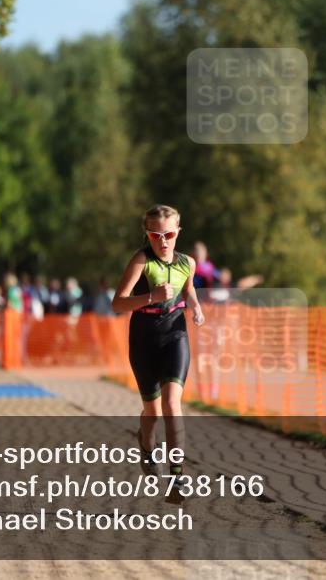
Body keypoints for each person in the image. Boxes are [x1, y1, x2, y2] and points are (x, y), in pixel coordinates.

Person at [113, 204, 204, 490]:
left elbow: (188, 289)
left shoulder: (187, 262)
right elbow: (117, 304)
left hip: (175, 334)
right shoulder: (141, 261)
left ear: (178, 232)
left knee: (172, 404)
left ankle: (177, 475)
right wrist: (151, 296)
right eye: (155, 236)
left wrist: (196, 307)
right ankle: (146, 444)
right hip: (144, 337)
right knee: (152, 412)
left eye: (168, 234)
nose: (162, 241)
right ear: (146, 235)